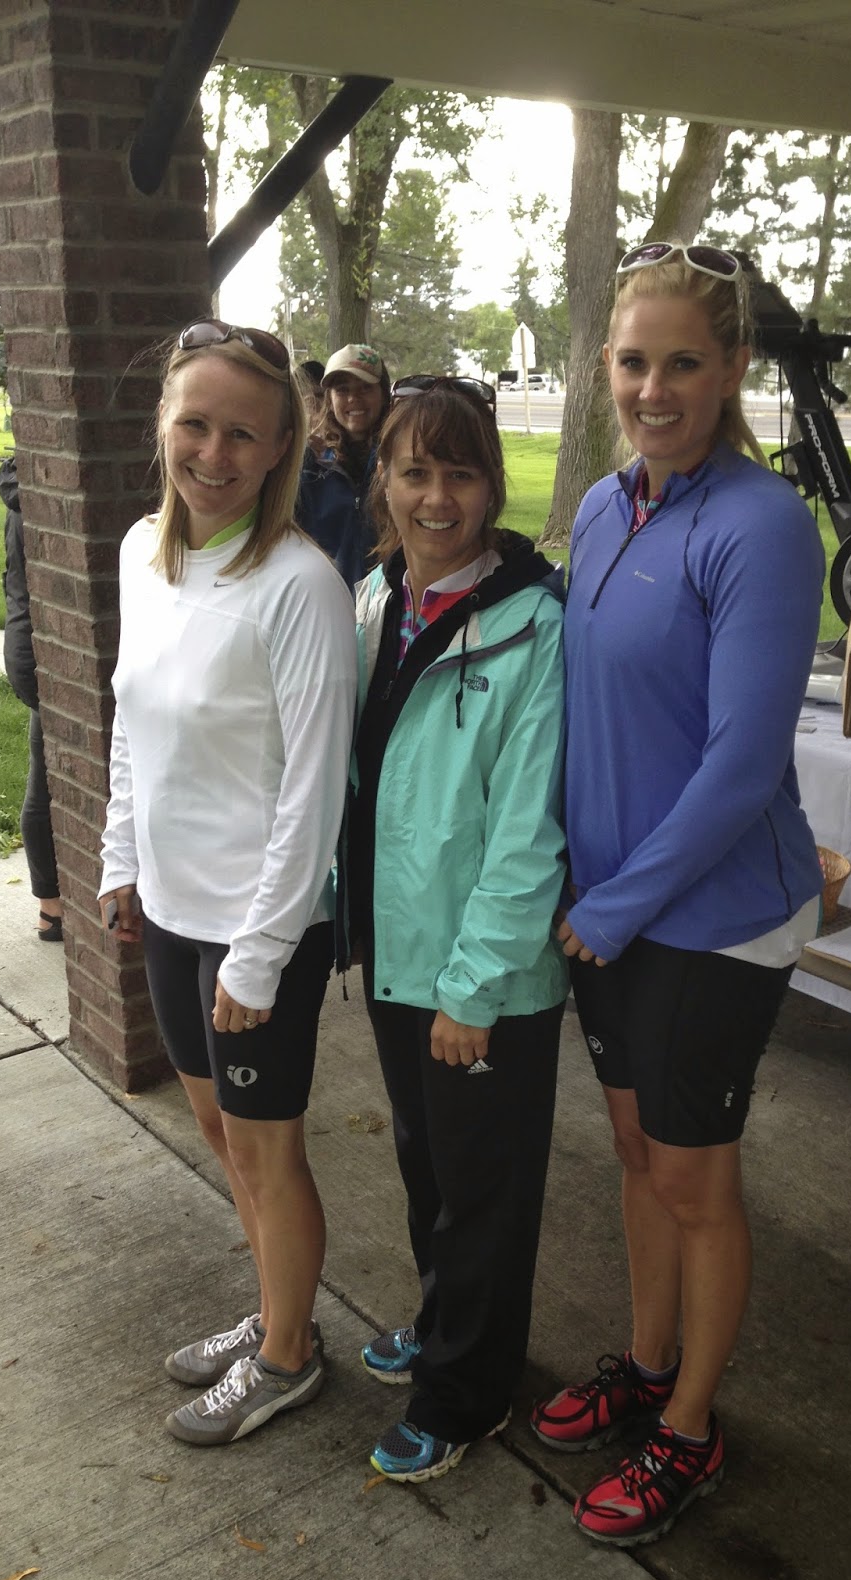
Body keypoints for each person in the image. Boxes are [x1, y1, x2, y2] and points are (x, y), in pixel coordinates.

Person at [529, 242, 824, 1544]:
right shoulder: (606, 506)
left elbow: (742, 764)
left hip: (714, 919)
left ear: (734, 369)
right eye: (634, 362)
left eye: (684, 364)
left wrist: (612, 906)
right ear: (606, 364)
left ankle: (691, 1430)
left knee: (698, 1183)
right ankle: (648, 1366)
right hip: (609, 909)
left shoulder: (762, 524)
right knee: (640, 1155)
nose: (654, 389)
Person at [98, 318, 357, 1447]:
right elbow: (131, 719)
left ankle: (290, 1357)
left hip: (261, 928)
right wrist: (119, 859)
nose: (214, 453)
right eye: (196, 424)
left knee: (266, 1148)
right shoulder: (140, 553)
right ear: (164, 423)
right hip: (169, 910)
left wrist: (259, 956)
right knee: (216, 1126)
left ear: (281, 446)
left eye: (243, 433)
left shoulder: (300, 585)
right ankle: (274, 1310)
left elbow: (314, 790)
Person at [346, 375, 569, 1483]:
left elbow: (529, 833)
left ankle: (467, 1393)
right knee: (426, 1161)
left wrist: (473, 987)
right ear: (383, 482)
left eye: (462, 474)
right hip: (396, 950)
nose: (438, 498)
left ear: (493, 486)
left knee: (484, 1190)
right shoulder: (372, 601)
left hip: (485, 977)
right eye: (415, 472)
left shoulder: (535, 628)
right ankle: (445, 1324)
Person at [0, 455, 62, 942]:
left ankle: (51, 906)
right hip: (39, 650)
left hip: (30, 644)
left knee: (46, 776)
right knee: (46, 783)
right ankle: (52, 906)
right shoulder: (41, 494)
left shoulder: (23, 482)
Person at [296, 343, 390, 591]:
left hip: (390, 598)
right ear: (329, 398)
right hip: (324, 598)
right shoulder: (310, 463)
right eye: (342, 389)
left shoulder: (400, 458)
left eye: (365, 388)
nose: (353, 399)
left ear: (383, 394)